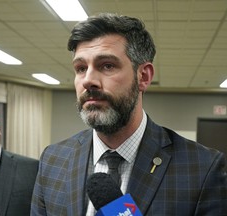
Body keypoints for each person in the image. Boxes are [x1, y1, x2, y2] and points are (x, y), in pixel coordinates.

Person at [31, 13, 227, 215]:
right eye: (81, 68)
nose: (88, 80)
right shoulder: (53, 160)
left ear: (143, 76)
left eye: (107, 65)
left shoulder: (202, 169)